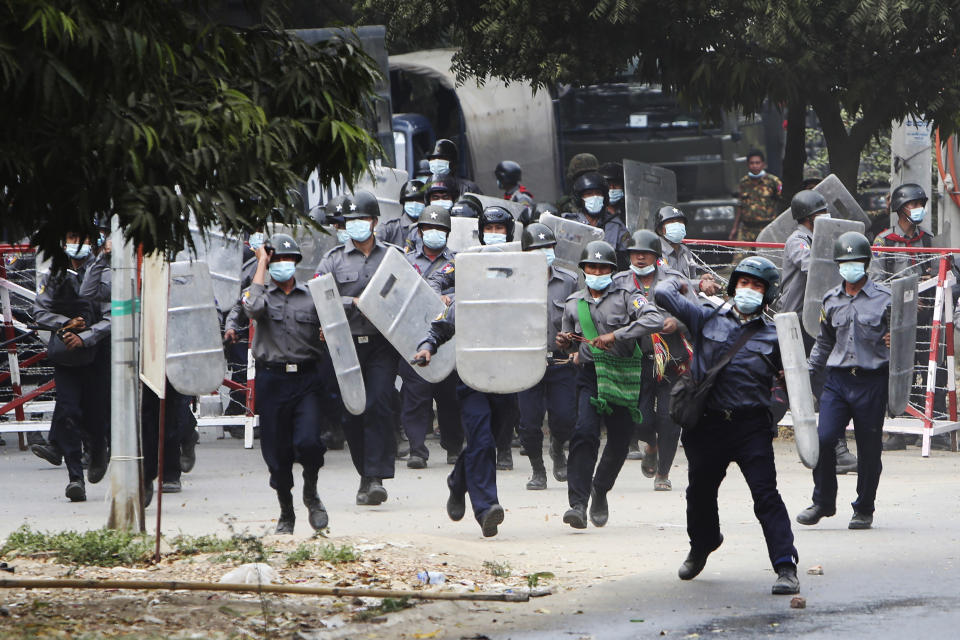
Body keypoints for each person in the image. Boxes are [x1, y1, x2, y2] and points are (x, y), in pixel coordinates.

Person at [654, 255, 800, 596]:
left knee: (766, 496)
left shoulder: (776, 335)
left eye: (757, 286)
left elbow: (793, 381)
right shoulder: (705, 317)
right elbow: (662, 293)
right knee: (699, 492)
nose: (749, 290)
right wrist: (683, 284)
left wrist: (774, 410)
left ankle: (785, 565)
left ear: (767, 295)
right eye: (744, 283)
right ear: (733, 286)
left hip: (751, 427)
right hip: (706, 425)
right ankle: (702, 545)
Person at [556, 241, 664, 529]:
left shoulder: (630, 295)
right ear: (584, 270)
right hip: (591, 374)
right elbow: (568, 340)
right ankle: (577, 504)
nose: (597, 271)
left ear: (612, 271)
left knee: (619, 440)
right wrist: (565, 342)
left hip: (625, 374)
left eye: (603, 267)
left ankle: (600, 490)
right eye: (592, 266)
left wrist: (618, 335)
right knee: (584, 432)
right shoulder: (573, 303)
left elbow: (654, 318)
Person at [796, 231, 891, 531]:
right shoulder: (830, 299)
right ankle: (823, 502)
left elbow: (902, 340)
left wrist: (892, 344)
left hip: (871, 381)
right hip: (836, 381)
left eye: (856, 261)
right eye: (844, 262)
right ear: (838, 265)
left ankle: (864, 508)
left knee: (869, 448)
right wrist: (809, 372)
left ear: (866, 263)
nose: (850, 267)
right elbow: (824, 342)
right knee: (824, 440)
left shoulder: (885, 300)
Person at [315, 191, 400, 505]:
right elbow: (319, 296)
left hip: (381, 344)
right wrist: (351, 304)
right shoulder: (333, 259)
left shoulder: (392, 256)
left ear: (375, 222)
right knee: (352, 411)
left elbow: (406, 292)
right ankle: (364, 473)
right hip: (345, 344)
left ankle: (376, 476)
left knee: (379, 402)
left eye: (362, 219)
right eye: (350, 221)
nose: (357, 225)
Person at [242, 232, 329, 533]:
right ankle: (286, 510)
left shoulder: (311, 295)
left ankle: (311, 492)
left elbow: (332, 326)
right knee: (277, 454)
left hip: (306, 378)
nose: (283, 264)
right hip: (273, 380)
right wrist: (261, 264)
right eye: (277, 259)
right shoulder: (261, 295)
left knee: (309, 442)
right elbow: (251, 308)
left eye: (288, 259)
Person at [412, 300, 509, 537]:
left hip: (508, 378)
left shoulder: (518, 296)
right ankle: (486, 508)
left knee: (486, 440)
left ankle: (457, 482)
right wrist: (427, 347)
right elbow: (439, 328)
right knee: (482, 440)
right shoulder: (465, 297)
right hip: (471, 379)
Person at [778, 190, 857, 472]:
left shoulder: (819, 239)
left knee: (822, 382)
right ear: (810, 218)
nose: (827, 217)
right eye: (822, 213)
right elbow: (812, 266)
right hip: (800, 322)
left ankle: (833, 450)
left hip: (816, 319)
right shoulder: (798, 241)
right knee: (822, 384)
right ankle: (834, 451)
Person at [31, 230, 110, 501]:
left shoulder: (105, 272)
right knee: (68, 413)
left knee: (95, 417)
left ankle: (99, 449)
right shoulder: (55, 273)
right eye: (72, 238)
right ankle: (75, 478)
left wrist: (85, 337)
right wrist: (64, 325)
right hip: (66, 355)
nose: (77, 244)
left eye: (83, 238)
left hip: (98, 356)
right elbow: (40, 311)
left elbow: (113, 317)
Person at [614, 230, 694, 491]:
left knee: (669, 418)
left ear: (655, 256)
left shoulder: (675, 280)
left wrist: (678, 323)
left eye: (645, 253)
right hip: (636, 361)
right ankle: (651, 445)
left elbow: (696, 313)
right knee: (640, 420)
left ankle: (663, 473)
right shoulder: (618, 282)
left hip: (673, 360)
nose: (639, 258)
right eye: (634, 253)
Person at [872, 183, 943, 450]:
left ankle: (931, 425)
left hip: (926, 319)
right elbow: (877, 282)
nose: (918, 210)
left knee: (929, 369)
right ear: (901, 209)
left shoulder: (926, 239)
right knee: (899, 371)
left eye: (920, 205)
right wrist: (907, 292)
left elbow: (939, 273)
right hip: (897, 321)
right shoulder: (884, 241)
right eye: (914, 205)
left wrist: (930, 282)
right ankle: (896, 429)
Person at [398, 206, 463, 468]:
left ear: (447, 233)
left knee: (449, 397)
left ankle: (453, 446)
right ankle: (416, 449)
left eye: (440, 229)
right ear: (421, 231)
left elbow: (470, 290)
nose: (434, 233)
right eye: (429, 228)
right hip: (413, 334)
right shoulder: (406, 261)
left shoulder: (458, 262)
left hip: (447, 337)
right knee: (415, 395)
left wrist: (451, 297)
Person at [517, 223, 579, 490]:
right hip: (527, 361)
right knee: (529, 422)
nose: (544, 253)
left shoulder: (569, 280)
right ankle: (537, 469)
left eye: (548, 247)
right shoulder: (513, 281)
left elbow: (579, 319)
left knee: (565, 417)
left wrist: (573, 341)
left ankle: (557, 448)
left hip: (560, 361)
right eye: (537, 249)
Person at [570, 171, 630, 269]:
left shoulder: (615, 225)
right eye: (588, 194)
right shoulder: (570, 223)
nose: (594, 197)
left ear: (605, 197)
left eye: (598, 193)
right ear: (580, 199)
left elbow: (629, 255)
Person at [655, 206, 720, 295]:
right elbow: (669, 281)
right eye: (671, 222)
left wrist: (701, 279)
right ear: (659, 230)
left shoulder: (685, 251)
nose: (676, 225)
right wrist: (699, 284)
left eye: (679, 221)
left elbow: (690, 277)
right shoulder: (657, 251)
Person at [731, 150, 782, 242]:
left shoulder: (773, 181)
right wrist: (735, 228)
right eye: (751, 163)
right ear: (747, 165)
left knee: (765, 255)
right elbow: (740, 206)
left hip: (766, 229)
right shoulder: (744, 183)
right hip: (746, 229)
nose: (754, 166)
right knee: (741, 256)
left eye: (757, 163)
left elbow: (782, 202)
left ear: (763, 164)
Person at [378, 180, 425, 251]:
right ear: (404, 202)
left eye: (419, 200)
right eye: (410, 200)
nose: (415, 203)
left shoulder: (429, 229)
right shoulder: (389, 228)